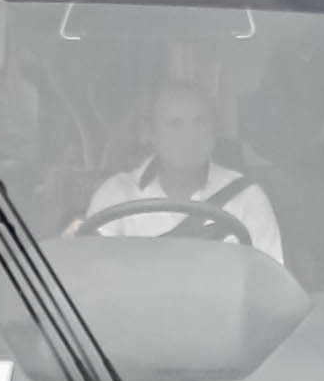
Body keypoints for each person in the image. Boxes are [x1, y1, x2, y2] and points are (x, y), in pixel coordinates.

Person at [69, 83, 283, 258]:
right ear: (152, 134)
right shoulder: (116, 195)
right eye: (175, 124)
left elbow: (270, 290)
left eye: (200, 122)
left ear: (214, 131)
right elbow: (97, 279)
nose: (190, 135)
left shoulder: (247, 198)